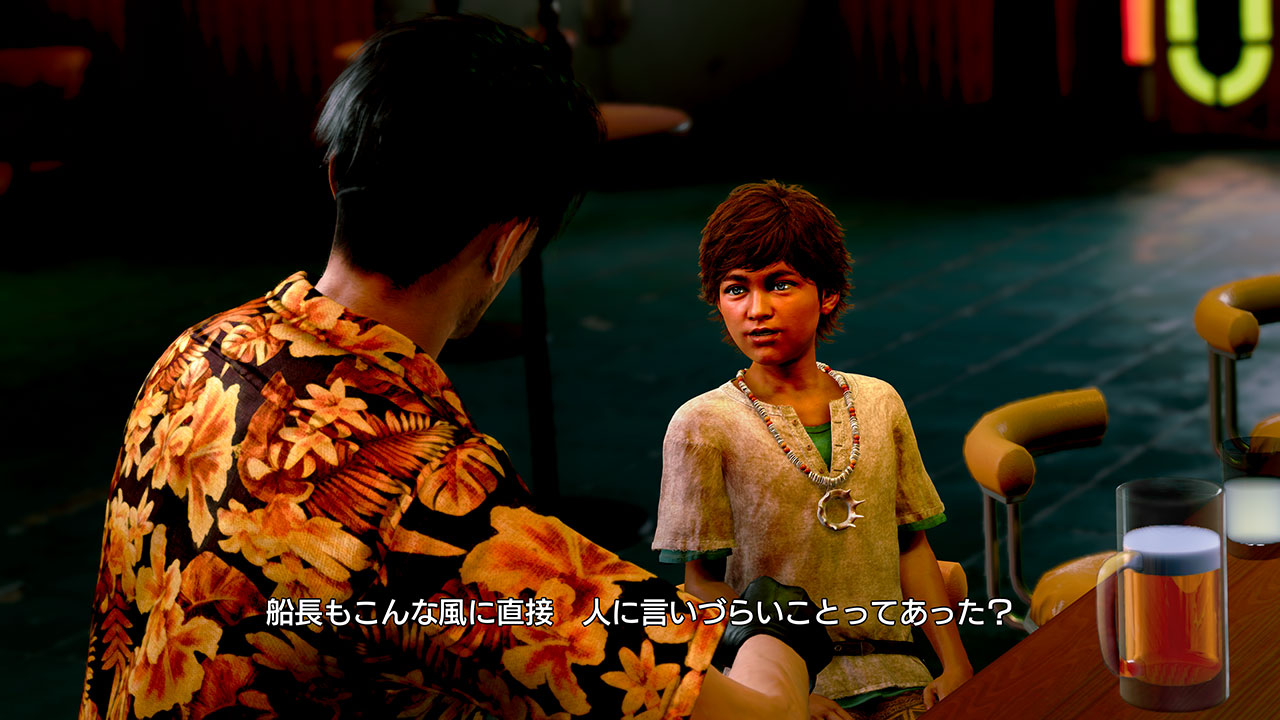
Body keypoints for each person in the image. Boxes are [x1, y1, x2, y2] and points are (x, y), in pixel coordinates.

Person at [79, 15, 831, 720]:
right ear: (507, 244)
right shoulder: (426, 499)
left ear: (336, 175)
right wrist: (774, 629)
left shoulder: (197, 351)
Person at [653, 181, 973, 720]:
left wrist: (957, 666)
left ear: (828, 295)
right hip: (780, 688)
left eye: (780, 284)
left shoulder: (879, 402)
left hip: (899, 674)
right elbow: (703, 584)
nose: (756, 310)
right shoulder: (702, 424)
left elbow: (911, 547)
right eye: (736, 289)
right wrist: (787, 692)